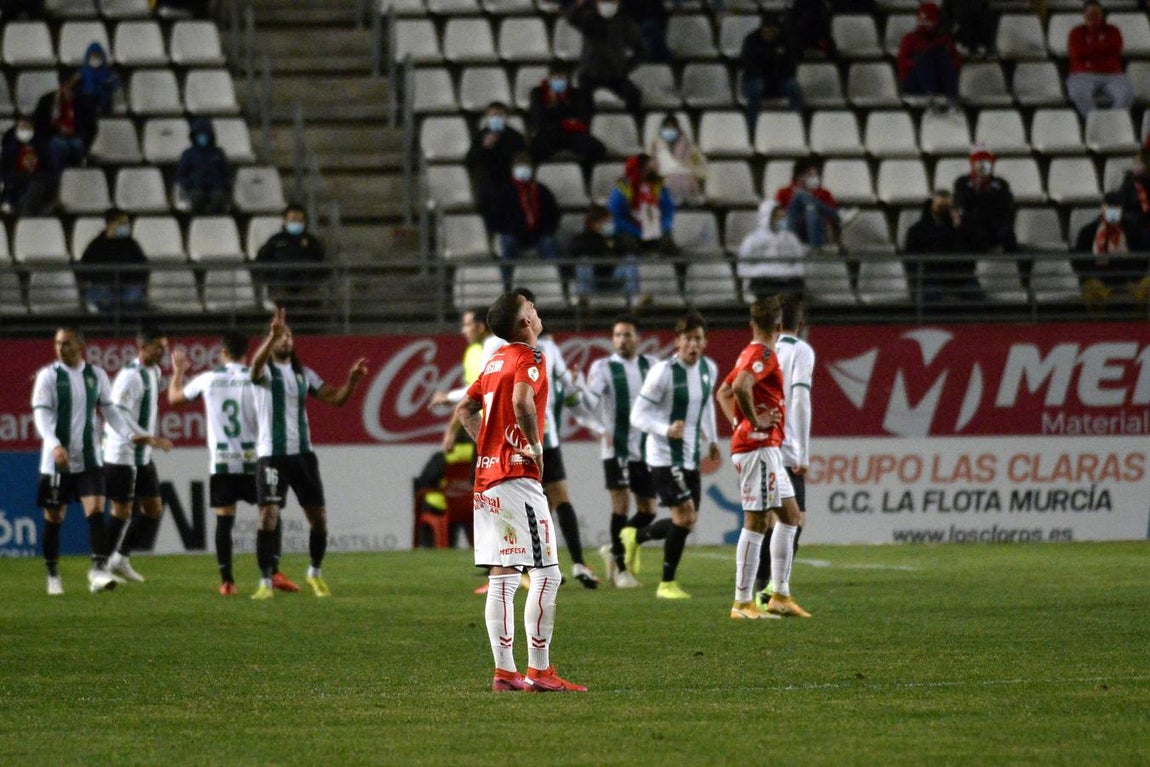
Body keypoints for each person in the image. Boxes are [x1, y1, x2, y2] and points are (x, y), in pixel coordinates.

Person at [451, 290, 586, 692]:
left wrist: (488, 446)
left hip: (486, 479)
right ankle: (541, 672)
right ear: (524, 322)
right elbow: (523, 402)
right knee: (547, 573)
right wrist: (535, 449)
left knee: (503, 573)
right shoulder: (531, 357)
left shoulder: (494, 359)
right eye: (532, 308)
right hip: (516, 478)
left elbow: (464, 410)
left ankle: (505, 673)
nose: (537, 311)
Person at [167, 331, 301, 595]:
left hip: (223, 462)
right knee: (271, 513)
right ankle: (274, 572)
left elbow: (174, 398)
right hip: (256, 460)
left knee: (224, 521)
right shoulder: (257, 378)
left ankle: (227, 581)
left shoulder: (208, 379)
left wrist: (179, 372)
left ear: (222, 353)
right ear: (246, 352)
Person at [248, 308, 368, 600]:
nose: (285, 339)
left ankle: (314, 572)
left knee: (319, 519)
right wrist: (270, 339)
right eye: (280, 336)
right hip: (272, 455)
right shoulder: (265, 372)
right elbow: (253, 370)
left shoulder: (304, 374)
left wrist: (351, 381)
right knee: (267, 517)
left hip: (303, 455)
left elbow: (335, 399)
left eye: (288, 335)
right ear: (272, 340)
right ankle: (265, 581)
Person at [715, 296, 811, 619]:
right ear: (780, 327)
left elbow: (723, 393)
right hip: (759, 448)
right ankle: (741, 602)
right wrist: (754, 422)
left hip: (765, 447)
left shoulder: (747, 352)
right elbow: (740, 386)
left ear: (751, 325)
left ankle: (780, 595)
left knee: (791, 517)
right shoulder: (765, 354)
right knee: (757, 522)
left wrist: (737, 422)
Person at [32, 327, 144, 595]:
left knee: (95, 509)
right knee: (55, 516)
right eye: (58, 343)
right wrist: (55, 444)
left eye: (67, 343)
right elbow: (41, 416)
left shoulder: (96, 375)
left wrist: (129, 434)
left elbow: (110, 412)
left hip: (89, 457)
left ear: (80, 345)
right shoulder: (49, 376)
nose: (61, 348)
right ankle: (52, 574)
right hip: (57, 460)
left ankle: (97, 569)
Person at [623, 312, 720, 600]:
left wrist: (712, 438)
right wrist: (665, 429)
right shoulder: (663, 372)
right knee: (685, 515)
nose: (693, 345)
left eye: (698, 339)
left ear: (705, 342)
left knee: (688, 521)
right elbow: (637, 415)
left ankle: (636, 536)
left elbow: (707, 404)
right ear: (677, 342)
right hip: (664, 456)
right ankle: (666, 583)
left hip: (690, 457)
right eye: (688, 339)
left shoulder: (708, 369)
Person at [517, 287, 599, 589]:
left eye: (532, 307)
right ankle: (533, 568)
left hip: (546, 437)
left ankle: (578, 563)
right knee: (533, 505)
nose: (531, 313)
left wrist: (584, 396)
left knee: (559, 499)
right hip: (522, 439)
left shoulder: (549, 348)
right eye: (526, 308)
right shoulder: (502, 348)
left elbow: (570, 387)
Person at [580, 314, 657, 589]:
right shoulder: (603, 367)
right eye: (617, 335)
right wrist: (597, 425)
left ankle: (613, 547)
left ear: (638, 338)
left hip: (646, 449)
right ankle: (621, 570)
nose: (622, 340)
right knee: (621, 505)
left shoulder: (653, 365)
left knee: (649, 510)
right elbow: (588, 403)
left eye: (627, 334)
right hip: (616, 448)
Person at [751, 294, 815, 610]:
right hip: (787, 447)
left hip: (759, 443)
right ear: (800, 324)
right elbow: (800, 400)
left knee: (766, 519)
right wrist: (802, 452)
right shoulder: (800, 351)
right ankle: (773, 590)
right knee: (793, 519)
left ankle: (762, 588)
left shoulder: (762, 351)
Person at [100, 327, 175, 584]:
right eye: (158, 348)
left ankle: (120, 559)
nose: (163, 352)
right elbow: (117, 412)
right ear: (142, 347)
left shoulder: (153, 372)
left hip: (141, 455)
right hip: (122, 453)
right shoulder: (130, 376)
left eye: (164, 348)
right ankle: (99, 566)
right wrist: (144, 436)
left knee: (153, 508)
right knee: (121, 512)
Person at [482, 153, 563, 293]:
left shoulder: (542, 191)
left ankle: (558, 285)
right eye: (520, 167)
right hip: (513, 234)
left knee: (550, 243)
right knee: (507, 243)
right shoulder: (505, 191)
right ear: (513, 169)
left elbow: (553, 215)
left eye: (526, 167)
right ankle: (506, 287)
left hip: (539, 235)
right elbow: (495, 218)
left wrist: (544, 230)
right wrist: (510, 229)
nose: (523, 170)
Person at [565, 0, 648, 123]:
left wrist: (626, 67)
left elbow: (642, 50)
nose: (607, 4)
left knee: (634, 96)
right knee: (582, 105)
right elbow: (571, 18)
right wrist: (579, 4)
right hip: (589, 75)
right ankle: (584, 135)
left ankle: (637, 129)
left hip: (615, 76)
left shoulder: (625, 22)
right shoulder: (589, 18)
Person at [953, 145, 1023, 280]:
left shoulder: (1000, 184)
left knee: (1007, 232)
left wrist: (985, 193)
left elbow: (1005, 207)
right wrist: (976, 189)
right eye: (978, 163)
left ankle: (1018, 277)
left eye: (986, 163)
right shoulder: (962, 182)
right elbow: (962, 204)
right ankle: (965, 279)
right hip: (971, 228)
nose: (982, 167)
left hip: (994, 226)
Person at [1072, 191, 1150, 309]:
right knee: (1092, 289)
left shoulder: (1133, 229)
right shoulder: (1088, 231)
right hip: (1099, 279)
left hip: (1130, 279)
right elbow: (1078, 263)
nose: (1113, 211)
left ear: (1122, 209)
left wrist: (1127, 261)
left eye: (1117, 207)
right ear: (1103, 208)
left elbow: (1144, 258)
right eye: (1110, 207)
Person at [904, 189, 984, 303]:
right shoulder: (917, 230)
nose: (945, 209)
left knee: (979, 299)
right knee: (932, 298)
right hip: (931, 277)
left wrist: (961, 228)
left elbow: (976, 248)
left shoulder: (961, 227)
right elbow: (911, 260)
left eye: (948, 206)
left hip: (961, 277)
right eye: (940, 205)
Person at [527, 61, 606, 168]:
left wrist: (559, 113)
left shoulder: (577, 94)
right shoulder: (537, 93)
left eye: (562, 78)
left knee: (597, 149)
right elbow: (538, 121)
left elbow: (584, 118)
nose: (559, 81)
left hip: (573, 134)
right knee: (533, 150)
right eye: (556, 78)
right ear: (549, 79)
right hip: (549, 134)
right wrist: (563, 119)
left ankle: (584, 177)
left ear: (568, 80)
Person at [739, 14, 803, 139]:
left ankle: (796, 127)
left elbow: (790, 67)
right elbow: (748, 67)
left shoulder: (785, 41)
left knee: (794, 87)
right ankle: (752, 132)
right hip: (753, 81)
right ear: (762, 29)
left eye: (773, 31)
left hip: (777, 82)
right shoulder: (751, 41)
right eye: (767, 30)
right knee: (757, 88)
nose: (769, 34)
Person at [1066, 0, 1134, 119]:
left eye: (1097, 14)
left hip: (1113, 75)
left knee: (1127, 93)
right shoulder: (1076, 32)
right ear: (1084, 15)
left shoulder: (1113, 30)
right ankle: (1095, 122)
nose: (1094, 17)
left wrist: (1090, 51)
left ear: (1102, 15)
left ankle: (1113, 121)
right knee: (1078, 93)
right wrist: (1103, 49)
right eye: (1090, 14)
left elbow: (1116, 49)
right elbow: (1076, 54)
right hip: (1082, 74)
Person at [254, 204, 327, 311]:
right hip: (280, 287)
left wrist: (312, 280)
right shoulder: (275, 241)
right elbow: (260, 262)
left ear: (305, 222)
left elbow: (323, 264)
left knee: (311, 302)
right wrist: (272, 280)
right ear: (285, 221)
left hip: (306, 287)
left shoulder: (312, 242)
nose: (296, 223)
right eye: (293, 220)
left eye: (299, 220)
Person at [78, 207, 149, 317]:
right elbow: (85, 270)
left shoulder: (131, 244)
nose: (126, 226)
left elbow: (143, 267)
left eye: (127, 223)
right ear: (110, 224)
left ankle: (130, 331)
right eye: (122, 223)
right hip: (103, 287)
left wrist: (132, 282)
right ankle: (109, 331)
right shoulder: (96, 245)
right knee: (104, 297)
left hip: (127, 286)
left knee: (134, 296)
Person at [607, 153, 676, 258]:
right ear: (638, 169)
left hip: (654, 229)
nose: (651, 170)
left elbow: (668, 210)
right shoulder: (622, 189)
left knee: (667, 239)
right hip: (631, 230)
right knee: (626, 241)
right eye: (647, 167)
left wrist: (662, 226)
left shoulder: (659, 186)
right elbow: (614, 216)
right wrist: (637, 231)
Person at [775, 157, 850, 252]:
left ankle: (816, 248)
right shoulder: (783, 193)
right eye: (811, 175)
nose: (815, 178)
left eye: (816, 175)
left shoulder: (824, 194)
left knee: (811, 209)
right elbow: (778, 218)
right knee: (801, 196)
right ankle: (839, 215)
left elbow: (831, 223)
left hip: (817, 230)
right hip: (792, 231)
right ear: (800, 177)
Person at [464, 101, 527, 215]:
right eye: (493, 115)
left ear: (506, 117)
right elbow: (470, 160)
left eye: (500, 115)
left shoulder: (516, 137)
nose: (496, 118)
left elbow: (524, 159)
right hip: (488, 181)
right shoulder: (481, 136)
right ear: (487, 118)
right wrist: (484, 147)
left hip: (510, 181)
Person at [737, 198, 807, 299]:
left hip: (787, 281)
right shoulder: (752, 240)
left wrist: (786, 272)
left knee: (796, 290)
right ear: (767, 218)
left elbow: (800, 263)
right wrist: (764, 271)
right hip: (764, 282)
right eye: (777, 217)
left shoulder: (790, 239)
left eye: (782, 217)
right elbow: (742, 268)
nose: (782, 220)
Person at [569, 203, 639, 300]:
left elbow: (629, 249)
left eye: (611, 222)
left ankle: (634, 300)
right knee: (583, 262)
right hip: (594, 278)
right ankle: (585, 302)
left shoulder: (615, 238)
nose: (610, 225)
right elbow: (572, 252)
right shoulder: (582, 238)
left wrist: (617, 245)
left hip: (613, 275)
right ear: (595, 224)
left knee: (630, 260)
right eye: (606, 222)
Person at [897, 2, 962, 107]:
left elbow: (957, 61)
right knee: (926, 57)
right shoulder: (909, 38)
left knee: (939, 54)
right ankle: (932, 95)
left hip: (940, 80)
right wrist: (921, 61)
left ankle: (950, 97)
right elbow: (902, 62)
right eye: (921, 20)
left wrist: (937, 64)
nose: (923, 23)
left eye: (927, 20)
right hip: (915, 83)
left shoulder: (944, 39)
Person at [33, 72, 98, 175]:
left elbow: (91, 128)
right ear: (62, 86)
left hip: (76, 138)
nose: (71, 94)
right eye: (69, 89)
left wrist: (77, 133)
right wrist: (58, 130)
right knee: (59, 145)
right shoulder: (46, 101)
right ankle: (56, 178)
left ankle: (75, 177)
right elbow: (39, 126)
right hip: (51, 138)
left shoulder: (83, 102)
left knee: (75, 145)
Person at [648, 113, 707, 207]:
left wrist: (695, 176)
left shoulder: (690, 147)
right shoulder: (655, 147)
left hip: (687, 189)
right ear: (662, 129)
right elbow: (649, 167)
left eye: (672, 128)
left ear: (678, 129)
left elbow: (702, 167)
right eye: (667, 128)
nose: (669, 131)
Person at [176, 118, 232, 214]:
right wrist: (191, 183)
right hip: (195, 188)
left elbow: (225, 173)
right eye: (199, 135)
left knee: (218, 198)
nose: (202, 137)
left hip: (215, 188)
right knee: (197, 198)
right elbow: (181, 174)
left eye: (205, 135)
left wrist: (222, 184)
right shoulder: (188, 154)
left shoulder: (218, 153)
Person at [0, 117, 54, 215]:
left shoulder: (41, 145)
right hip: (16, 182)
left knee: (34, 188)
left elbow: (48, 170)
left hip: (37, 181)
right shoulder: (10, 147)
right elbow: (6, 172)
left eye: (27, 127)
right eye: (22, 128)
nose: (25, 131)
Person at [77, 41, 121, 116]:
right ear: (88, 57)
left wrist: (110, 84)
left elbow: (115, 85)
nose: (96, 59)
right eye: (93, 57)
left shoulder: (108, 72)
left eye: (98, 56)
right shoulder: (84, 71)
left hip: (104, 100)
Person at [1117, 148, 1150, 239]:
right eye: (1135, 163)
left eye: (1139, 163)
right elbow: (1122, 206)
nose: (1135, 166)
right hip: (1134, 223)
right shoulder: (1129, 184)